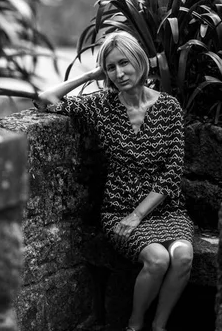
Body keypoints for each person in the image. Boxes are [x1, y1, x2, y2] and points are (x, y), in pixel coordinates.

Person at [34, 31, 194, 331]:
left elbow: (172, 173)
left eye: (124, 63)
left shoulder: (169, 107)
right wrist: (91, 74)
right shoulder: (101, 106)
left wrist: (139, 215)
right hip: (119, 209)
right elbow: (44, 101)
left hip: (165, 209)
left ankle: (158, 326)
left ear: (139, 62)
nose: (119, 73)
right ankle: (134, 325)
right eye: (110, 67)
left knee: (183, 256)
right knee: (158, 260)